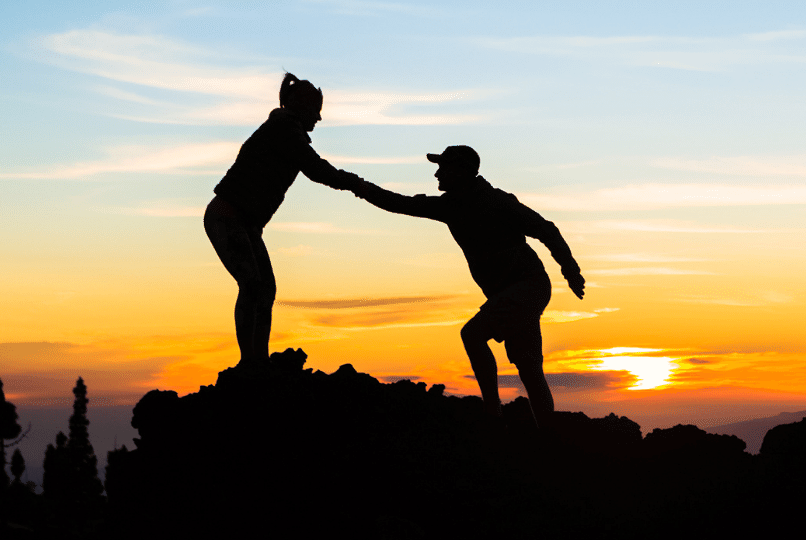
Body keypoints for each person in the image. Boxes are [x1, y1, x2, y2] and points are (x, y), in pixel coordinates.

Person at [347, 145, 584, 422]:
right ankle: (547, 440)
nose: (437, 173)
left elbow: (546, 229)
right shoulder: (449, 206)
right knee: (529, 368)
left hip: (528, 286)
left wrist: (570, 270)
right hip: (515, 291)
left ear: (461, 172)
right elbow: (400, 204)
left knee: (473, 335)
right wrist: (359, 186)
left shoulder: (497, 202)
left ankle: (492, 415)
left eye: (443, 167)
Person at [205, 73, 363, 367]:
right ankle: (250, 362)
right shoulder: (283, 129)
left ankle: (257, 361)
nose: (318, 118)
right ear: (298, 105)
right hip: (228, 217)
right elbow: (315, 168)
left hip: (245, 223)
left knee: (264, 288)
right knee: (252, 285)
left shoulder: (284, 129)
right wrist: (354, 183)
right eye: (315, 111)